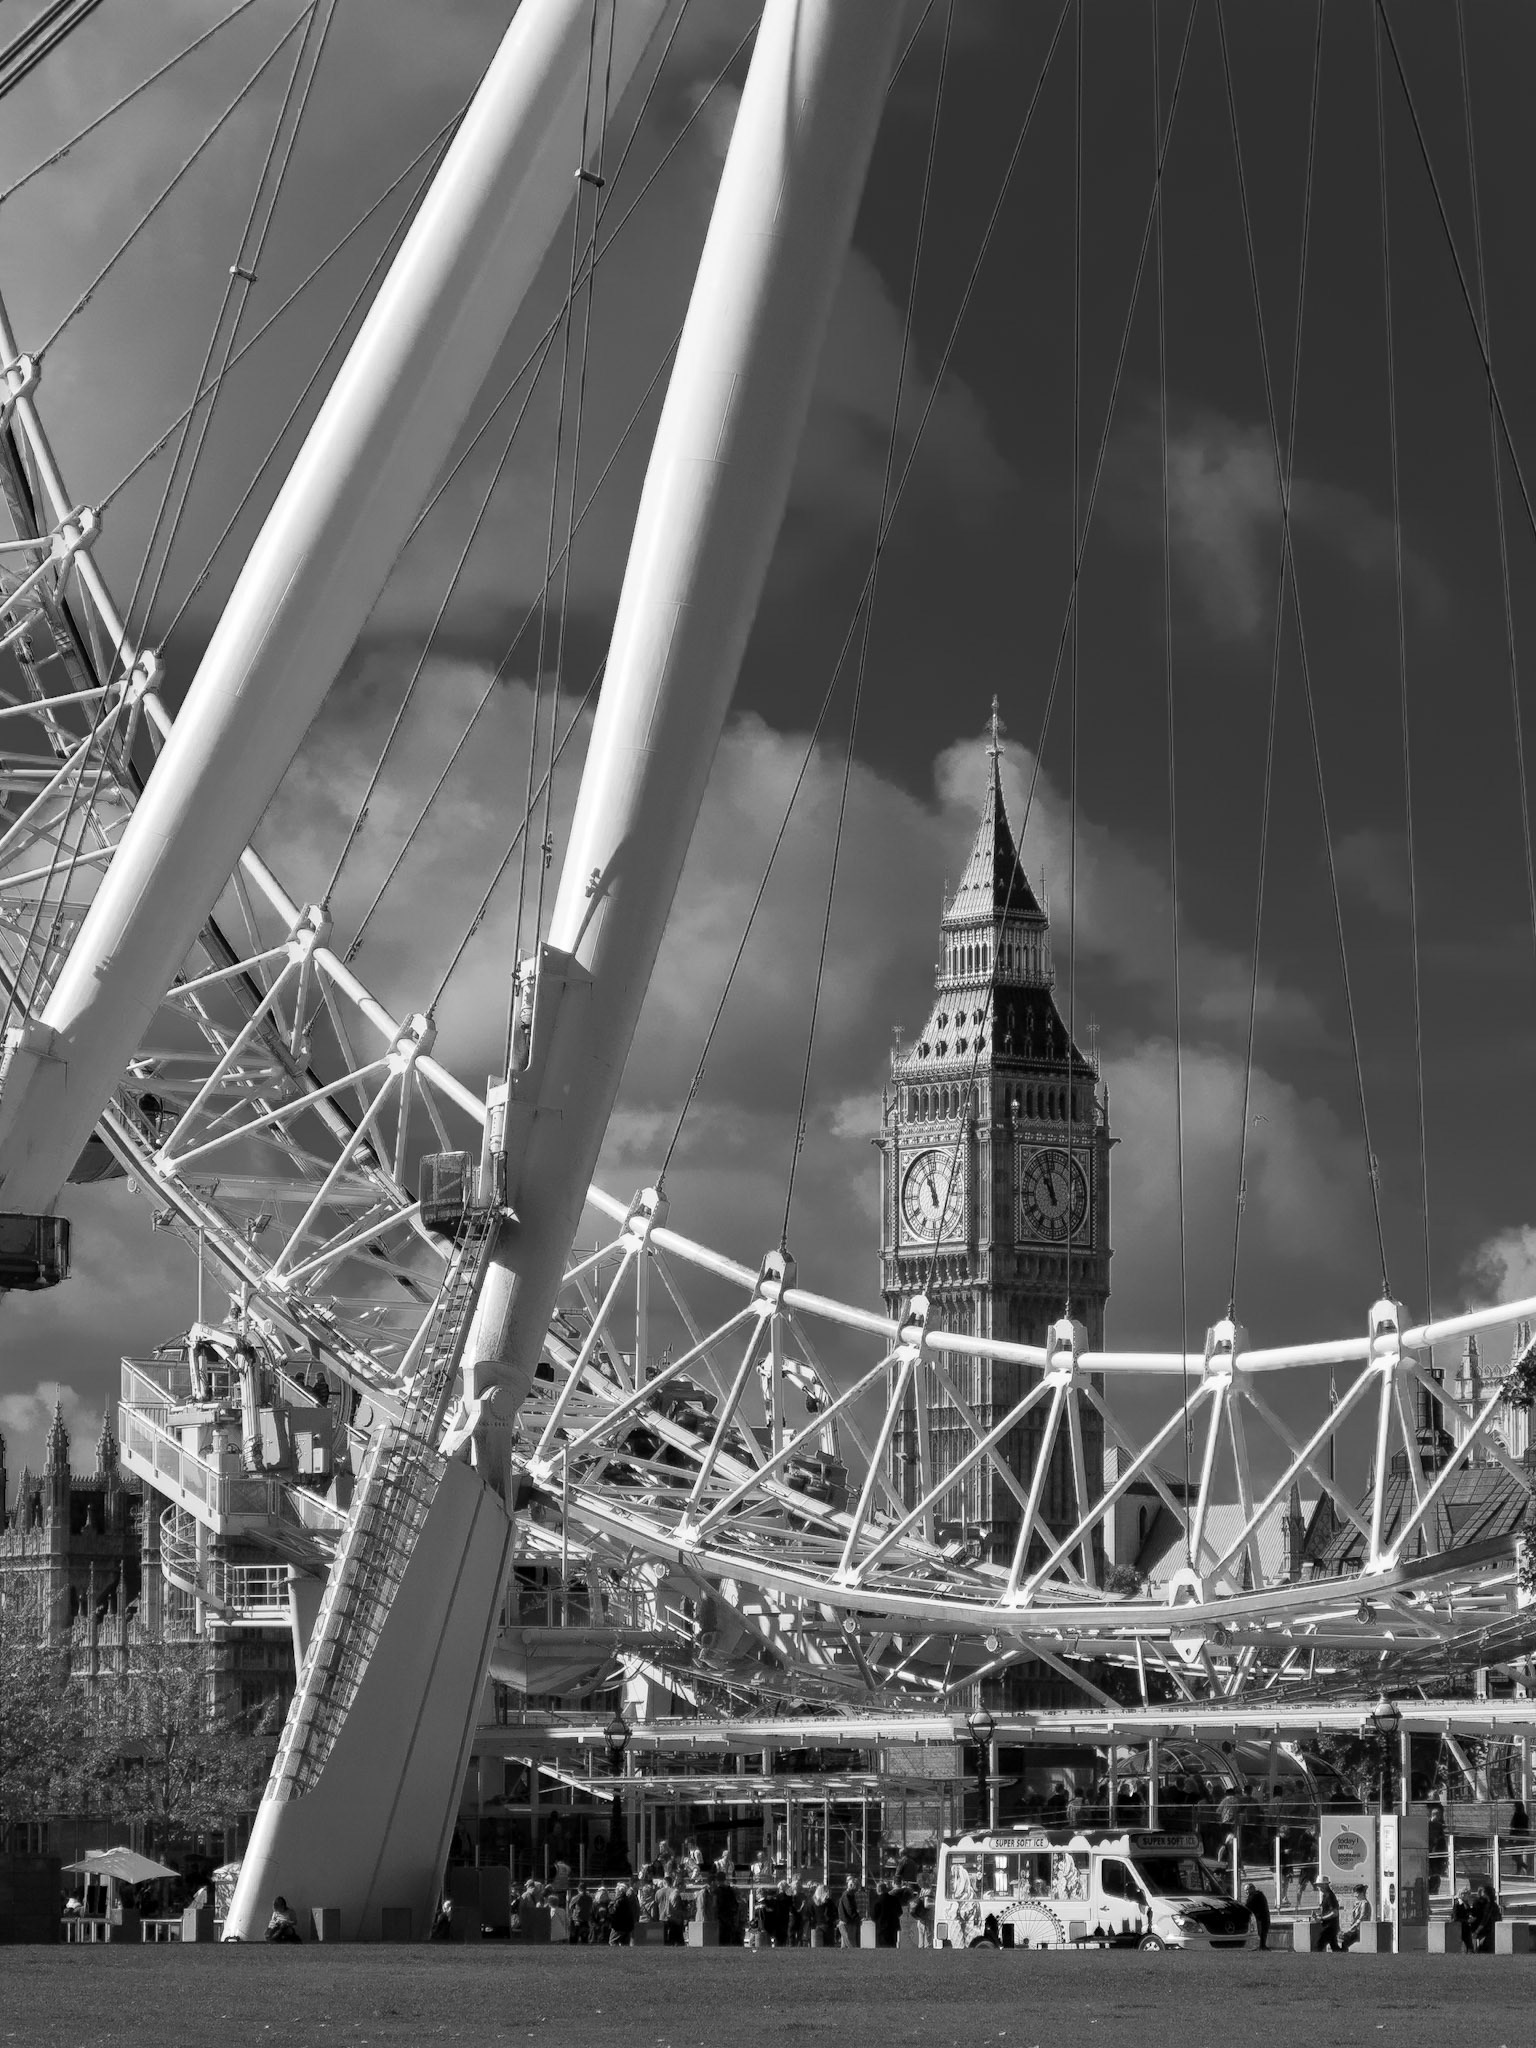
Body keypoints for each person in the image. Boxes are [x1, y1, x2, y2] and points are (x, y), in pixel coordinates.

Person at [1467, 1877, 1502, 1954]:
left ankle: (1475, 1949)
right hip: (1488, 1928)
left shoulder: (1487, 1904)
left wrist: (1477, 1931)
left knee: (1482, 1947)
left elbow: (1484, 1919)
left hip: (1485, 1928)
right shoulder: (1492, 1904)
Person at [1309, 1875, 1341, 1953]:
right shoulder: (1326, 1895)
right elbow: (1329, 1912)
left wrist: (1321, 1918)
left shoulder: (1329, 1896)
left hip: (1330, 1927)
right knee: (1334, 1947)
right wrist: (1318, 1916)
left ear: (1324, 1885)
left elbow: (1334, 1913)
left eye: (1319, 1885)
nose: (1318, 1887)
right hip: (1330, 1926)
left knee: (1318, 1945)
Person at [1339, 1885, 1371, 1951]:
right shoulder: (1358, 1903)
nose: (1355, 1896)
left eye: (1356, 1893)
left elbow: (1361, 1918)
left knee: (1345, 1940)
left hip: (1360, 1930)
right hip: (1355, 1929)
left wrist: (1350, 1929)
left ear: (1361, 1893)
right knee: (1343, 1940)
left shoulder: (1365, 1903)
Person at [873, 1881, 903, 1949]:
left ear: (878, 1890)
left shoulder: (877, 1901)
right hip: (893, 1926)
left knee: (882, 1947)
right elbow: (900, 1912)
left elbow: (874, 1916)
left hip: (882, 1928)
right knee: (893, 1946)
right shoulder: (894, 1899)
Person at [1243, 1880, 1271, 1951]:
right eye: (1245, 1891)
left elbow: (1247, 1907)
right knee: (1263, 1933)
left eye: (1247, 1890)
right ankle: (1262, 1946)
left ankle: (1260, 1947)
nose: (1246, 1892)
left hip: (1260, 1918)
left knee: (1259, 1933)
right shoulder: (1259, 1895)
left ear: (1252, 1889)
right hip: (1264, 1917)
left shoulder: (1254, 1896)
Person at [837, 1874, 863, 1949]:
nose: (857, 1889)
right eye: (856, 1887)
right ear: (851, 1886)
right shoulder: (847, 1896)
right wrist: (858, 1918)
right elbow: (850, 1910)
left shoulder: (849, 1895)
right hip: (847, 1923)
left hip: (847, 1922)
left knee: (845, 1947)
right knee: (851, 1945)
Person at [609, 1881, 637, 1947]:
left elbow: (613, 1912)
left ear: (620, 1892)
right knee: (624, 1943)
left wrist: (610, 1906)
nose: (615, 1892)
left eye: (616, 1890)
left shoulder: (619, 1901)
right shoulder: (626, 1899)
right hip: (627, 1926)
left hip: (618, 1926)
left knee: (613, 1941)